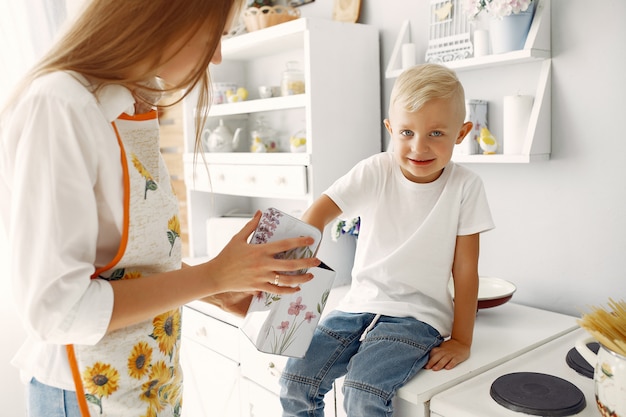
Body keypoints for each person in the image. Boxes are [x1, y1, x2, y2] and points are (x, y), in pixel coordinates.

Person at [0, 1, 321, 416]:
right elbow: (57, 310)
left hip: (148, 387)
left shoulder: (129, 105)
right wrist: (212, 274)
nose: (218, 56)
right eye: (215, 37)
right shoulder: (61, 104)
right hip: (82, 394)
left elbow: (130, 268)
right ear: (166, 16)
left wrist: (216, 292)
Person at [279, 63, 495, 417]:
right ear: (390, 129)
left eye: (436, 133)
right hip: (356, 305)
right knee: (295, 380)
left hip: (417, 316)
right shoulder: (375, 170)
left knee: (362, 391)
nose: (419, 146)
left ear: (462, 132)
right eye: (407, 132)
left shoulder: (466, 186)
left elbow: (466, 268)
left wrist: (462, 339)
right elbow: (317, 216)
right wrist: (293, 266)